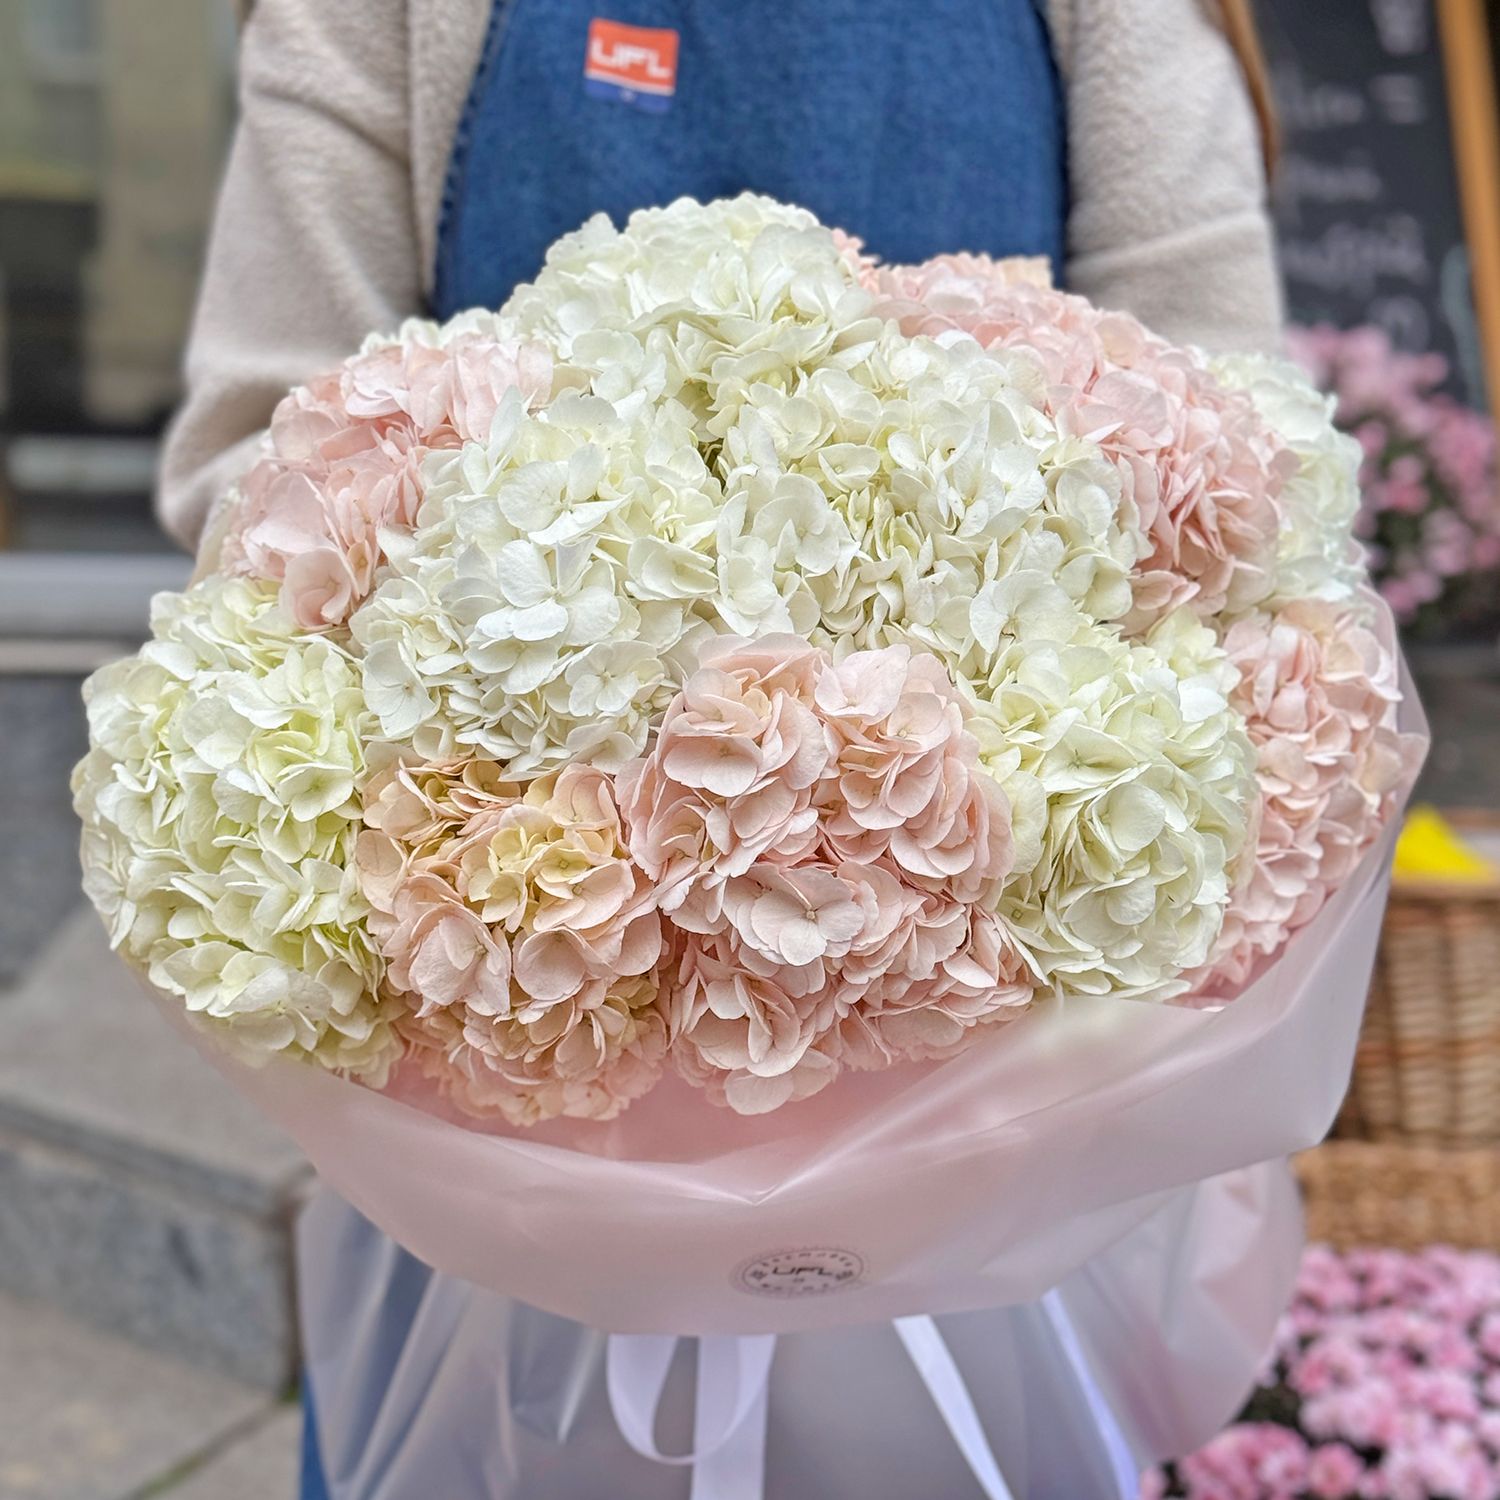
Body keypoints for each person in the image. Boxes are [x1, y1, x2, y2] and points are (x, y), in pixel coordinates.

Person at [157, 3, 1283, 1494]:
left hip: (988, 1132)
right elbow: (257, 451)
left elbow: (1230, 474)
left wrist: (889, 867)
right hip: (509, 1100)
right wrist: (598, 856)